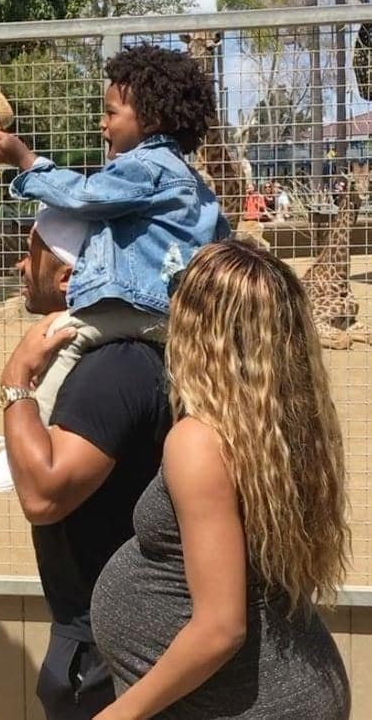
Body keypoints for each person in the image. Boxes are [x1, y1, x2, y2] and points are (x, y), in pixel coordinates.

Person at [90, 238, 351, 720]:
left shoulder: (201, 442)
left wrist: (118, 715)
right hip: (289, 687)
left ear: (199, 329)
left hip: (245, 704)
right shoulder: (283, 426)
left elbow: (220, 628)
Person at [0, 43, 227, 493]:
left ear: (152, 120)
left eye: (111, 113)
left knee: (60, 339)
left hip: (133, 303)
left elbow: (86, 196)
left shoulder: (146, 168)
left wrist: (26, 162)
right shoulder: (191, 183)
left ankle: (24, 449)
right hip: (173, 312)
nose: (102, 124)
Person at [0, 205, 170, 720]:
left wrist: (15, 383)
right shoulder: (113, 360)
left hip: (108, 650)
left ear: (69, 275)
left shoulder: (113, 367)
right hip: (102, 636)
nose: (20, 266)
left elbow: (43, 495)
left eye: (32, 253)